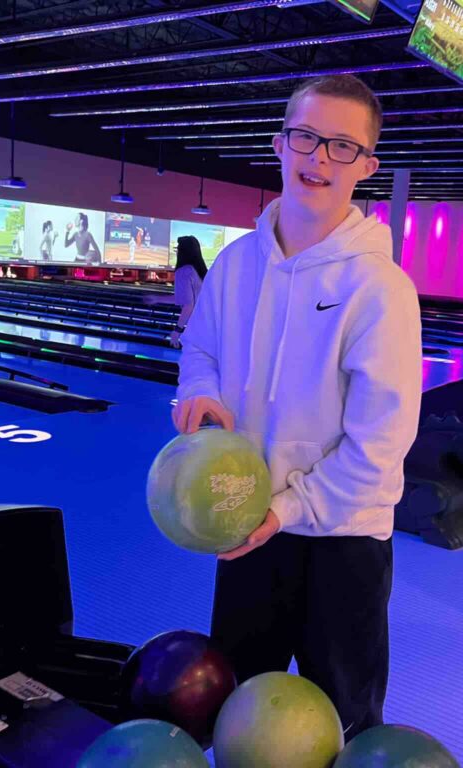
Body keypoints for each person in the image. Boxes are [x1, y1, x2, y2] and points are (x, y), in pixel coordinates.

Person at [172, 74, 422, 737]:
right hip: (246, 520)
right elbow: (200, 349)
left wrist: (286, 510)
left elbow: (380, 444)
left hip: (343, 538)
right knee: (236, 710)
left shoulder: (381, 288)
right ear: (279, 144)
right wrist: (199, 392)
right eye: (306, 137)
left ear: (367, 165)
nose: (319, 158)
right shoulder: (235, 264)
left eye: (343, 146)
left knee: (342, 722)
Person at [145, 235, 208, 348]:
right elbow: (185, 297)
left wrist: (177, 331)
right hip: (208, 326)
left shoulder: (184, 271)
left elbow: (188, 305)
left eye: (178, 248)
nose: (177, 251)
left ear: (184, 252)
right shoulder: (201, 270)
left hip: (197, 328)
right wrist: (158, 299)